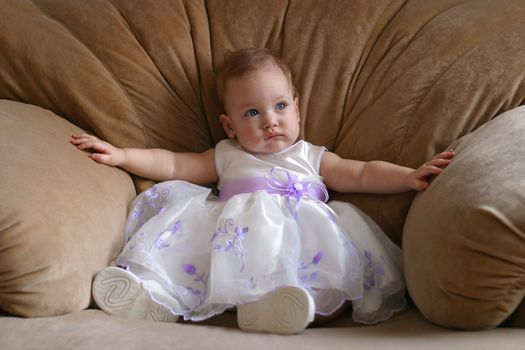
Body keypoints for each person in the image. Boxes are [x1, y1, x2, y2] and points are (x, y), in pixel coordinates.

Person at [70, 47, 454, 334]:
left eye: (280, 106)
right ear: (230, 125)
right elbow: (172, 163)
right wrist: (121, 154)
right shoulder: (225, 155)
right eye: (252, 113)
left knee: (331, 278)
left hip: (304, 238)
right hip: (231, 239)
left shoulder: (311, 156)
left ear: (298, 110)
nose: (270, 121)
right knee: (180, 261)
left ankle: (285, 310)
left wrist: (407, 176)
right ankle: (151, 296)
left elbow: (364, 173)